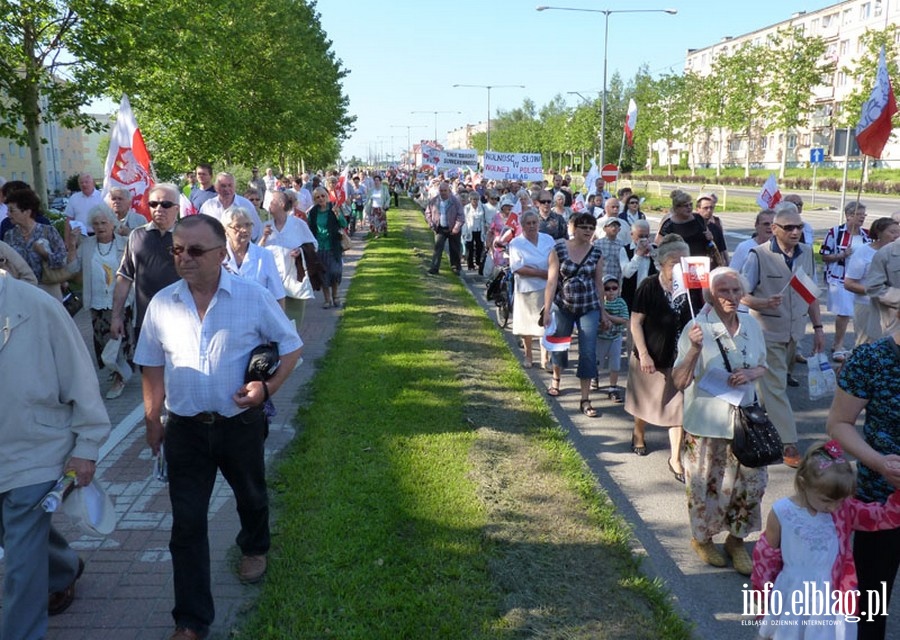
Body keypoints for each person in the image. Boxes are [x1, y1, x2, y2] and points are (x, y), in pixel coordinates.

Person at [134, 214, 303, 640]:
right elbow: (151, 365)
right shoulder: (162, 304)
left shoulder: (251, 297)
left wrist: (267, 390)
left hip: (239, 424)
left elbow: (292, 347)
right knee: (186, 524)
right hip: (185, 430)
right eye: (177, 250)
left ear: (219, 252)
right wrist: (152, 419)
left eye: (195, 250)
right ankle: (190, 620)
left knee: (250, 493)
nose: (184, 259)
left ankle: (254, 545)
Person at [0, 270, 111, 639]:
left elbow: (80, 377)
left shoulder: (37, 306)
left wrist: (87, 446)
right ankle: (63, 568)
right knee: (16, 539)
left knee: (20, 564)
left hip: (34, 451)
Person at [671, 267, 768, 574]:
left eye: (736, 290)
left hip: (745, 421)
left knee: (751, 486)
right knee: (705, 487)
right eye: (724, 291)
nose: (731, 296)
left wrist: (750, 373)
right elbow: (679, 381)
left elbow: (763, 366)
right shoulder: (697, 327)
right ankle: (702, 539)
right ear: (711, 294)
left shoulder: (751, 324)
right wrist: (694, 350)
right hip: (707, 424)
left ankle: (736, 541)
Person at [752, 441, 900, 640]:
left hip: (830, 596)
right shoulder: (782, 512)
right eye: (827, 501)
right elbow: (766, 557)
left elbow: (881, 517)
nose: (833, 507)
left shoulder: (844, 509)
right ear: (804, 484)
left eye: (840, 500)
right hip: (791, 591)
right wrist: (763, 595)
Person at [827, 313, 900, 640]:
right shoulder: (872, 359)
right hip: (880, 504)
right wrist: (880, 463)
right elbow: (839, 423)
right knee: (872, 603)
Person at [741, 201, 824, 468]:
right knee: (776, 388)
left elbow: (810, 293)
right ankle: (788, 443)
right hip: (767, 331)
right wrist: (764, 303)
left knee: (771, 387)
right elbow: (741, 294)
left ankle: (757, 415)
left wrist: (819, 328)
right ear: (774, 229)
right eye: (789, 227)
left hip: (794, 332)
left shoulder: (806, 253)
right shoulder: (758, 254)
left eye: (799, 227)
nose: (795, 232)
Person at [625, 234, 692, 482]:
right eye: (675, 262)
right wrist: (643, 354)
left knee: (678, 409)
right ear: (662, 263)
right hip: (651, 356)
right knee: (646, 404)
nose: (680, 266)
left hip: (680, 359)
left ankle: (675, 458)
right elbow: (636, 322)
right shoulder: (649, 286)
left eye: (685, 261)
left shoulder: (692, 288)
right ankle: (638, 432)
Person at [542, 211, 607, 417]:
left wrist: (603, 312)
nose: (588, 231)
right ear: (574, 228)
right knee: (559, 346)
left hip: (589, 307)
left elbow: (599, 284)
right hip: (564, 306)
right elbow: (552, 281)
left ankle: (585, 398)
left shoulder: (596, 253)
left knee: (588, 352)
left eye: (591, 228)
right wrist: (547, 308)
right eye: (584, 227)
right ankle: (556, 379)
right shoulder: (559, 249)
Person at [66, 204, 133, 399]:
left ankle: (119, 378)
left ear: (112, 223)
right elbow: (71, 270)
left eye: (104, 222)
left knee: (117, 342)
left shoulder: (125, 243)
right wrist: (72, 245)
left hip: (121, 302)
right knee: (104, 343)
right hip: (97, 302)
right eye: (95, 224)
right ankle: (118, 372)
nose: (100, 227)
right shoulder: (87, 245)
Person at [111, 183, 181, 344]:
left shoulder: (187, 236)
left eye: (165, 204)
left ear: (176, 208)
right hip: (145, 321)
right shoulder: (137, 236)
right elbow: (124, 278)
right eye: (153, 204)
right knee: (147, 369)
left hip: (181, 320)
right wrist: (116, 317)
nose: (159, 209)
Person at [257, 191, 318, 328]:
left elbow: (314, 244)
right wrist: (264, 238)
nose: (268, 205)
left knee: (293, 322)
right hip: (270, 282)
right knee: (274, 322)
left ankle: (293, 347)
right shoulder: (265, 226)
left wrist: (300, 251)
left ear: (281, 204)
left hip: (293, 279)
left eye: (272, 202)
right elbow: (255, 253)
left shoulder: (298, 224)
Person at [821, 202, 870, 362]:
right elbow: (824, 256)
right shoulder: (836, 233)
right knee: (844, 312)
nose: (862, 217)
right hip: (840, 278)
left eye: (864, 215)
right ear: (848, 215)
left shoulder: (866, 235)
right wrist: (841, 255)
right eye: (858, 214)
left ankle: (859, 345)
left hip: (858, 279)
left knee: (859, 312)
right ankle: (838, 345)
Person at [3, 187, 68, 300]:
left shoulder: (48, 232)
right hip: (21, 291)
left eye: (11, 210)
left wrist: (45, 254)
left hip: (48, 289)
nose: (8, 214)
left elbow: (62, 260)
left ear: (27, 211)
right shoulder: (10, 236)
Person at [509, 209, 554, 368]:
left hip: (546, 288)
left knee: (545, 323)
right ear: (522, 225)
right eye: (528, 223)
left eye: (534, 223)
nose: (532, 226)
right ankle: (528, 356)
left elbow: (554, 261)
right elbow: (517, 268)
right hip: (526, 288)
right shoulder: (516, 243)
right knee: (526, 324)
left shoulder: (548, 240)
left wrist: (548, 273)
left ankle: (545, 358)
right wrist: (541, 272)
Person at [844, 217, 900, 346]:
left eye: (898, 232)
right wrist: (876, 291)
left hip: (892, 310)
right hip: (866, 306)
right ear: (878, 232)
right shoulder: (864, 252)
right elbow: (848, 283)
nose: (896, 235)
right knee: (865, 346)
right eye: (892, 232)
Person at [223, 207, 285, 308]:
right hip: (226, 316)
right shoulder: (216, 256)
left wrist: (281, 322)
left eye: (248, 225)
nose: (244, 230)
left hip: (257, 317)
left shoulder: (264, 256)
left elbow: (278, 295)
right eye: (237, 226)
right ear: (225, 230)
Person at [308, 186, 347, 308]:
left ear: (327, 196)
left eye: (323, 196)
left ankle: (336, 296)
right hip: (320, 247)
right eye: (317, 197)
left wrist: (337, 215)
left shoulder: (334, 207)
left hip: (333, 245)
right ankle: (327, 299)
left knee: (335, 272)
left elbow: (344, 224)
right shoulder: (313, 212)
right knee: (323, 274)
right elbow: (310, 228)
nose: (320, 199)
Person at [593, 274, 629, 401]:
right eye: (607, 288)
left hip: (616, 338)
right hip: (601, 338)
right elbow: (595, 320)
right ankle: (594, 377)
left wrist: (607, 316)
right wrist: (602, 322)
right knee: (598, 362)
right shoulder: (598, 303)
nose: (611, 291)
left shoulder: (621, 302)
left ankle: (613, 388)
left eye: (614, 288)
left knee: (615, 364)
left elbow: (624, 319)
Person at [200, 172, 264, 242]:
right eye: (223, 186)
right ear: (216, 188)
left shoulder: (246, 205)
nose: (227, 189)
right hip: (214, 249)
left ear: (235, 187)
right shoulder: (208, 207)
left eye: (230, 185)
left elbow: (257, 232)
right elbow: (201, 231)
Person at [424, 181, 464, 276]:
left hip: (453, 228)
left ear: (449, 191)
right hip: (440, 228)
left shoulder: (455, 201)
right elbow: (428, 213)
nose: (443, 192)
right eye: (441, 190)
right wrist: (431, 223)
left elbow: (461, 216)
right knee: (438, 248)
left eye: (445, 190)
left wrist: (456, 227)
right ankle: (434, 268)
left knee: (455, 249)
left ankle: (455, 267)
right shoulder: (434, 200)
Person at [619, 219, 657, 311]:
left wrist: (653, 254)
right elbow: (627, 273)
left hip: (651, 295)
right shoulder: (625, 250)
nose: (643, 239)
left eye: (646, 236)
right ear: (632, 235)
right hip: (631, 295)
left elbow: (661, 270)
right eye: (640, 236)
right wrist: (638, 255)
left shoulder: (655, 249)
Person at [486, 194, 520, 273]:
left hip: (510, 243)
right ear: (502, 207)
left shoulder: (514, 218)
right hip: (498, 244)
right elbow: (491, 231)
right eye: (507, 206)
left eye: (510, 206)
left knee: (509, 263)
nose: (509, 208)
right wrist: (488, 243)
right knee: (498, 264)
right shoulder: (496, 217)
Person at [696, 195, 728, 264]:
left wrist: (726, 264)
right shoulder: (692, 227)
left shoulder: (716, 228)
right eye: (705, 208)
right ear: (698, 209)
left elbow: (722, 250)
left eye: (711, 208)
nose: (709, 210)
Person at [463, 191, 487, 273]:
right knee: (469, 248)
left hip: (479, 230)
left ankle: (477, 261)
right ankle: (470, 264)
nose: (475, 201)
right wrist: (464, 232)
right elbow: (465, 220)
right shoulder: (467, 208)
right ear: (470, 199)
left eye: (477, 199)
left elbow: (484, 218)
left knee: (480, 247)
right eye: (473, 199)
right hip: (470, 229)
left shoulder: (482, 207)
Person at [594, 217, 624, 283]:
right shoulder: (597, 244)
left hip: (616, 281)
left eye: (616, 226)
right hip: (600, 280)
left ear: (619, 229)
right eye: (611, 226)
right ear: (604, 229)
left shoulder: (622, 245)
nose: (614, 228)